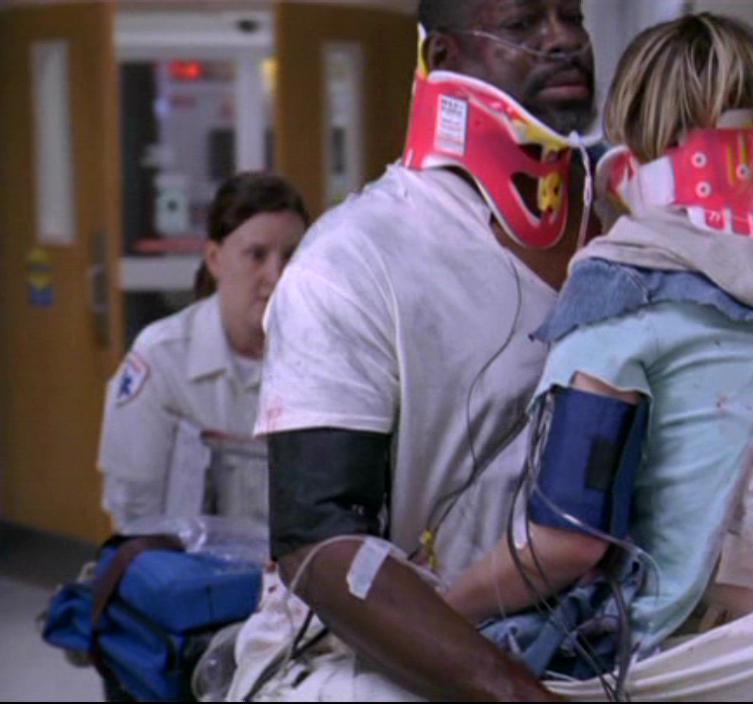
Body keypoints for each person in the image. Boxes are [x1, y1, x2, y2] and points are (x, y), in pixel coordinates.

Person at [441, 13, 753, 700]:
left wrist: (434, 611)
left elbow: (567, 541)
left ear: (630, 149)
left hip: (691, 666)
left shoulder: (619, 297)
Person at [225, 0, 600, 700]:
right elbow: (318, 540)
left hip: (586, 630)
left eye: (572, 16)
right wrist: (515, 693)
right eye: (522, 24)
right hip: (370, 653)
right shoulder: (352, 258)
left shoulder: (625, 225)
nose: (564, 40)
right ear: (444, 58)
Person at [97, 171, 308, 531]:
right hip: (188, 561)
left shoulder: (324, 356)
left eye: (290, 256)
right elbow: (134, 512)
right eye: (256, 255)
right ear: (214, 258)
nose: (276, 276)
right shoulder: (162, 358)